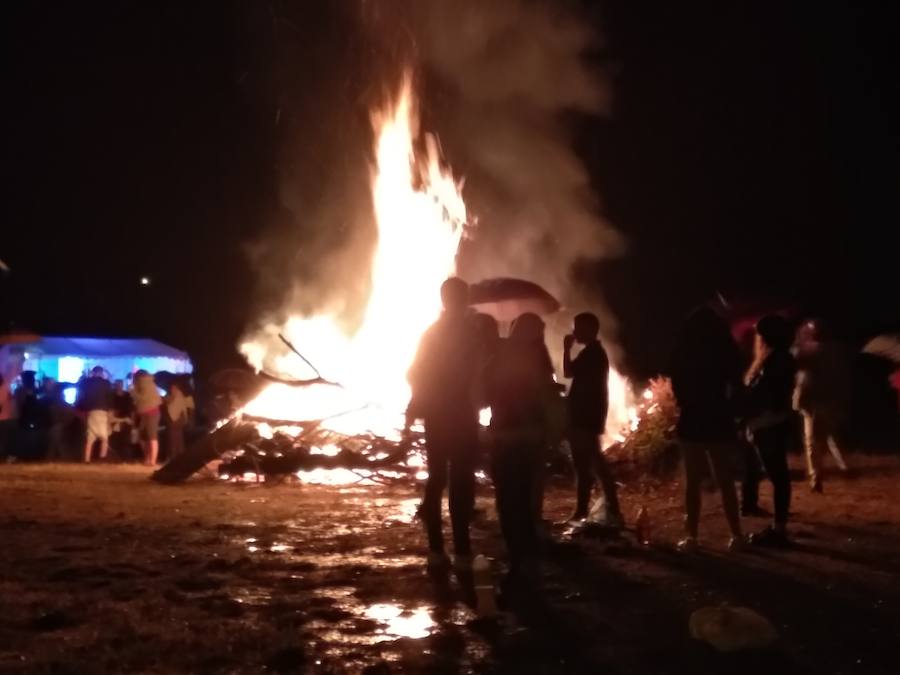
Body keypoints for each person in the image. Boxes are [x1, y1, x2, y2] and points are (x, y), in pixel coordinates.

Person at [406, 278, 482, 570]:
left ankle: (437, 551)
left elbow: (413, 373)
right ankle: (461, 550)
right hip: (460, 415)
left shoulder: (432, 333)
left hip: (438, 416)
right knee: (460, 479)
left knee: (438, 479)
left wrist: (422, 400)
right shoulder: (470, 334)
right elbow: (480, 374)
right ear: (463, 299)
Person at [485, 312, 556, 580]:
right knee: (524, 499)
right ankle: (525, 559)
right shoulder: (538, 360)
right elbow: (546, 396)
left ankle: (519, 558)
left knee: (510, 501)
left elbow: (483, 396)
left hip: (508, 439)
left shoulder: (500, 357)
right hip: (527, 439)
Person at [669, 306, 744, 552]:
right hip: (718, 417)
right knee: (725, 479)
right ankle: (736, 535)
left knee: (692, 480)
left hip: (692, 417)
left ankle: (691, 537)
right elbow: (736, 385)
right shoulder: (726, 350)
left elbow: (677, 385)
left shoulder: (683, 351)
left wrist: (685, 403)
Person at [741, 315, 798, 546]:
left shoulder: (776, 361)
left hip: (768, 424)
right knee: (779, 475)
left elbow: (766, 394)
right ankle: (779, 528)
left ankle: (779, 531)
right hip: (769, 423)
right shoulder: (778, 358)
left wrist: (745, 399)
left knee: (779, 476)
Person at [563, 312, 623, 525]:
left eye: (577, 327)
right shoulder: (594, 352)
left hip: (584, 416)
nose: (574, 332)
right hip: (591, 415)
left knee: (584, 466)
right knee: (596, 464)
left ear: (589, 329)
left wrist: (566, 349)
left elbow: (568, 372)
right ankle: (612, 509)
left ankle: (582, 511)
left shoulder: (592, 354)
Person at [793, 320, 852, 492]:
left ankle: (816, 477)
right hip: (830, 400)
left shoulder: (809, 351)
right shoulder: (835, 350)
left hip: (815, 401)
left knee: (812, 441)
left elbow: (798, 366)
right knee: (826, 436)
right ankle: (837, 468)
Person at [76, 366, 113, 463]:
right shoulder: (106, 383)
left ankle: (87, 458)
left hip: (90, 411)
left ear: (93, 372)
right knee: (104, 437)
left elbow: (81, 395)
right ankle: (102, 457)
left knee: (90, 437)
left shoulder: (87, 383)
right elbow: (109, 397)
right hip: (102, 411)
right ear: (101, 373)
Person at [132, 370, 162, 466]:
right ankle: (149, 458)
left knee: (151, 436)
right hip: (147, 413)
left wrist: (133, 393)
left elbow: (141, 398)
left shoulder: (143, 384)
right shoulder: (151, 383)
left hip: (151, 413)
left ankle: (152, 460)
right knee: (144, 437)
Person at [110, 379, 136, 460]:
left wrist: (132, 421)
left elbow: (132, 409)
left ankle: (126, 457)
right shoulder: (112, 395)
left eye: (119, 384)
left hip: (126, 420)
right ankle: (117, 457)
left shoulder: (127, 395)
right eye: (117, 384)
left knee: (125, 440)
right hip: (116, 420)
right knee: (116, 439)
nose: (118, 386)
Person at [165, 381, 188, 459]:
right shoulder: (173, 396)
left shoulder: (178, 396)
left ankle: (177, 456)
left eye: (173, 388)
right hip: (176, 419)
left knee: (176, 438)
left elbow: (178, 407)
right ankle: (178, 455)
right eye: (171, 388)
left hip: (178, 419)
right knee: (176, 437)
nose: (172, 389)